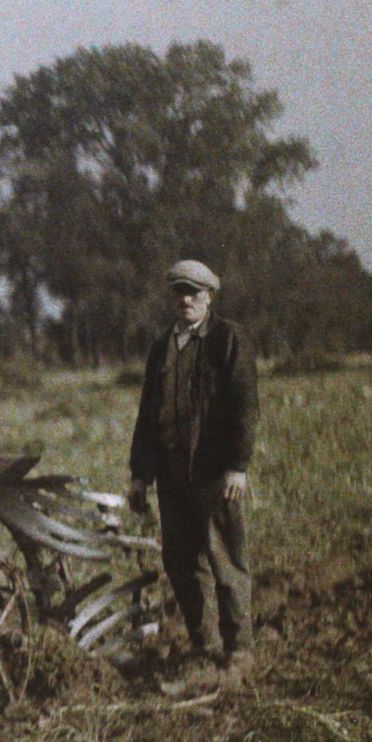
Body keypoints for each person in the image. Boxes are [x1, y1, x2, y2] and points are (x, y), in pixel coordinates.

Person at [127, 259, 257, 691]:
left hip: (213, 472)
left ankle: (240, 653)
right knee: (180, 561)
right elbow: (148, 414)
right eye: (178, 292)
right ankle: (205, 647)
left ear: (209, 297)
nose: (185, 300)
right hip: (171, 472)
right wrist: (140, 476)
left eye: (193, 293)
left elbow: (244, 407)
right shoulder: (162, 345)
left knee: (225, 560)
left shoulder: (227, 339)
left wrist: (238, 467)